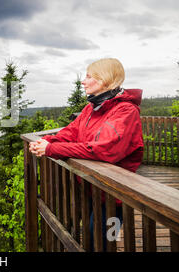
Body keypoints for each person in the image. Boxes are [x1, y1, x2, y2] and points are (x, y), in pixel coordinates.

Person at [29, 58, 144, 251]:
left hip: (115, 193)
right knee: (91, 237)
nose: (83, 81)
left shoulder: (125, 111)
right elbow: (71, 132)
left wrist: (51, 150)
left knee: (106, 241)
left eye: (89, 76)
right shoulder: (92, 107)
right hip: (93, 188)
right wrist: (49, 141)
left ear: (105, 80)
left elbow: (104, 149)